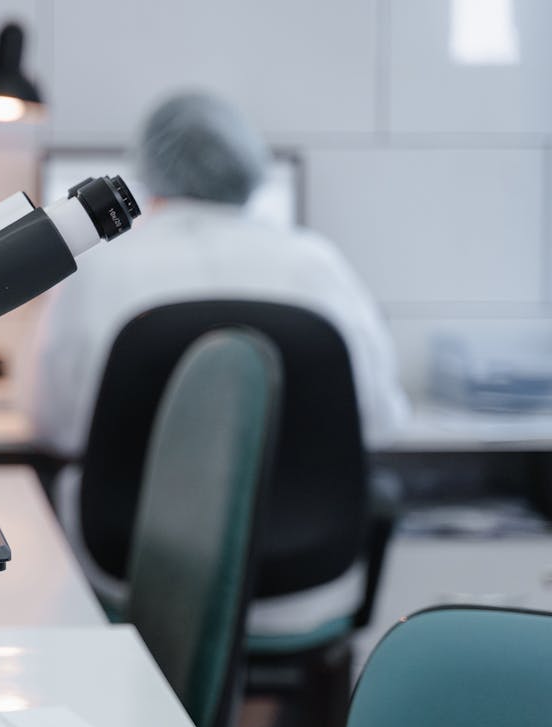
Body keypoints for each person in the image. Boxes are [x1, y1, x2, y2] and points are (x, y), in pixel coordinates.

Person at [24, 91, 409, 462]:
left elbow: (55, 424)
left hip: (124, 525)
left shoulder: (100, 267)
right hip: (299, 523)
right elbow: (378, 420)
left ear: (149, 166)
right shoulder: (317, 263)